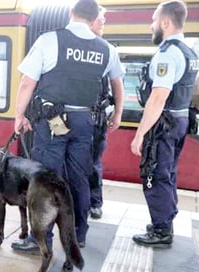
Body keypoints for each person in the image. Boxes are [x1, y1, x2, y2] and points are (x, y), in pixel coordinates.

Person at [12, 0, 123, 251]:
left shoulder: (49, 40)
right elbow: (117, 83)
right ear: (94, 18)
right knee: (78, 178)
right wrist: (117, 113)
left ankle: (41, 240)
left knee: (47, 180)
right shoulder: (106, 49)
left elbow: (27, 83)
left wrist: (19, 116)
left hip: (54, 122)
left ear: (72, 13)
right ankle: (78, 234)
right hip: (86, 122)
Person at [130, 0, 199, 247]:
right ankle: (164, 221)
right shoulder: (190, 52)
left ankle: (161, 232)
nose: (151, 25)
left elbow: (158, 97)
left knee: (155, 173)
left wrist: (139, 135)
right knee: (168, 172)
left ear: (166, 22)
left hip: (164, 123)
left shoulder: (168, 53)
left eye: (153, 20)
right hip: (179, 120)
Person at [88, 6, 124, 219]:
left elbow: (117, 83)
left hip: (96, 120)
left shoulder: (107, 49)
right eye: (101, 19)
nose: (103, 23)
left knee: (92, 162)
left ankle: (94, 202)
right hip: (75, 118)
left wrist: (118, 112)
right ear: (90, 20)